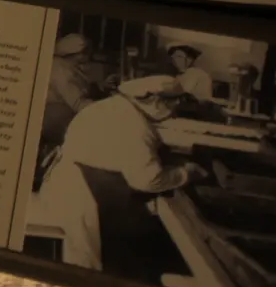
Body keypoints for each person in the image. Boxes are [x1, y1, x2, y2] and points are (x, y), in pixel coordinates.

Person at [30, 75, 209, 270]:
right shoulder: (134, 125)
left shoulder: (114, 106)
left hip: (64, 182)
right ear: (157, 102)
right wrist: (186, 174)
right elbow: (148, 180)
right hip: (77, 196)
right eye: (172, 106)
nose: (173, 114)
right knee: (83, 265)